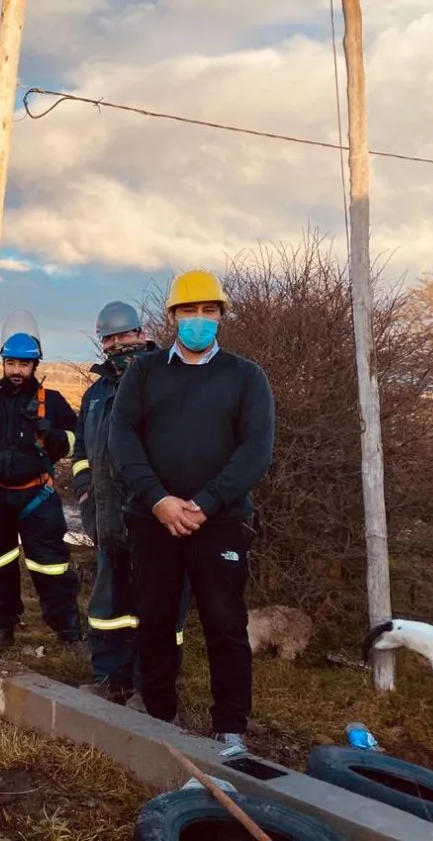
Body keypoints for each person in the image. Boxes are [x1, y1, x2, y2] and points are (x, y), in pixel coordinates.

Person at [108, 270, 275, 752]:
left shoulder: (246, 376)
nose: (198, 320)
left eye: (208, 311)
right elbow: (123, 438)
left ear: (221, 316)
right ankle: (160, 718)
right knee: (155, 619)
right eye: (188, 311)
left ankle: (231, 729)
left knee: (225, 624)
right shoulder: (144, 372)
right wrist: (157, 499)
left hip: (218, 523)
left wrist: (205, 503)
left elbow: (255, 451)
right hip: (152, 520)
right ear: (172, 317)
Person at [72, 302, 186, 712]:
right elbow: (83, 452)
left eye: (126, 336)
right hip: (107, 518)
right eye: (111, 338)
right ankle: (110, 678)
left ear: (143, 334)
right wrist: (85, 494)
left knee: (156, 607)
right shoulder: (95, 394)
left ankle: (150, 688)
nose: (119, 344)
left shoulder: (165, 379)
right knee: (108, 607)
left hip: (154, 518)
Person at [0, 312, 83, 654]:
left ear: (35, 366)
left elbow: (81, 439)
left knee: (51, 567)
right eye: (11, 363)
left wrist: (58, 435)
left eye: (24, 364)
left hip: (37, 496)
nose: (17, 370)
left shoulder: (54, 402)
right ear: (3, 362)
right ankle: (3, 627)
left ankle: (68, 634)